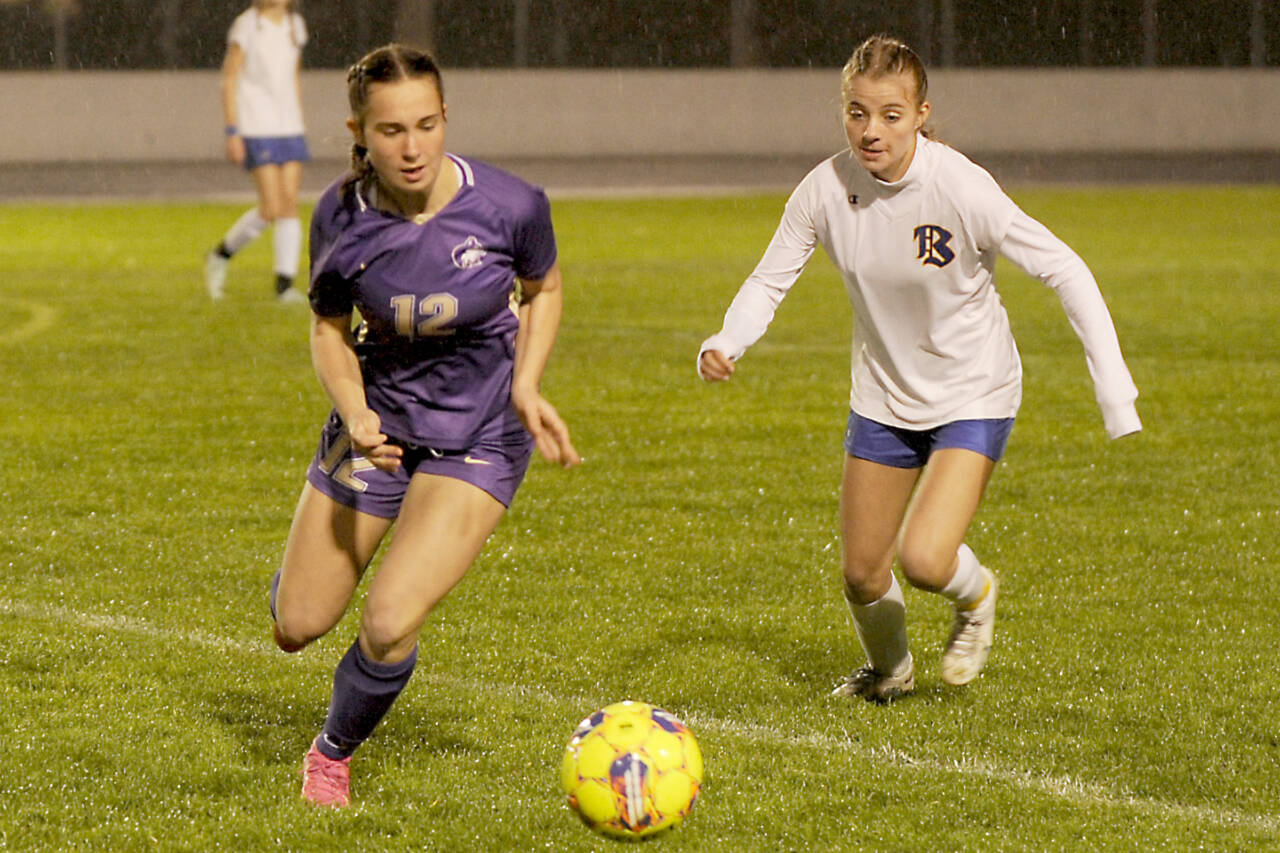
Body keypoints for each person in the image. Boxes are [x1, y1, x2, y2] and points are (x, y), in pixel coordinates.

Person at [697, 34, 1140, 704]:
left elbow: (1065, 269)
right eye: (856, 112)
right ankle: (892, 670)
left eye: (890, 114)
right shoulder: (824, 189)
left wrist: (1114, 391)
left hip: (973, 390)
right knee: (862, 571)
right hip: (883, 396)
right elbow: (769, 278)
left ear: (922, 114)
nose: (870, 131)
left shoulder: (960, 187)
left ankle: (978, 594)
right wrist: (729, 338)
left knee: (927, 559)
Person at [269, 43, 581, 808]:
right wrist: (355, 413)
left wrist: (529, 385)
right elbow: (327, 328)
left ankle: (332, 751)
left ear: (446, 118)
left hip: (480, 433)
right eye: (390, 131)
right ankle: (302, 576)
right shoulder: (340, 218)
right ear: (360, 132)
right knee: (297, 623)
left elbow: (543, 287)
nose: (412, 147)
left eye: (426, 124)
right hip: (379, 427)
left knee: (388, 619)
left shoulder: (510, 205)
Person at [204, 0, 309, 303]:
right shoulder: (247, 24)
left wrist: (299, 121)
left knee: (290, 204)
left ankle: (284, 285)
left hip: (289, 126)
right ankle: (221, 255)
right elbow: (229, 78)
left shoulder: (295, 25)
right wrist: (232, 129)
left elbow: (294, 77)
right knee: (271, 208)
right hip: (256, 125)